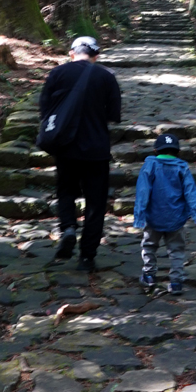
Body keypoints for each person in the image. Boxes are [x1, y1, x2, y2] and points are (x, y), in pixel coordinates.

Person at [39, 35, 121, 271]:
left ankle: (68, 228)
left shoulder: (57, 74)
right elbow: (113, 113)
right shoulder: (106, 76)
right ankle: (87, 257)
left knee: (65, 190)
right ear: (96, 56)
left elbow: (45, 109)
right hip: (96, 148)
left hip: (65, 146)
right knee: (96, 202)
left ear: (71, 53)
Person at [133, 133, 196, 294]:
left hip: (153, 216)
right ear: (177, 151)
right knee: (177, 250)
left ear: (156, 149)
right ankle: (176, 282)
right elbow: (191, 193)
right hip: (176, 218)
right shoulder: (182, 167)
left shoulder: (150, 165)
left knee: (149, 246)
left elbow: (143, 192)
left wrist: (139, 216)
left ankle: (149, 275)